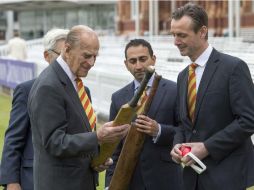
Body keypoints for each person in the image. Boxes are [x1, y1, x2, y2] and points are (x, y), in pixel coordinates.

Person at [27, 25, 129, 190]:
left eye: (95, 57)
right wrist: (98, 137)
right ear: (67, 50)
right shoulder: (49, 86)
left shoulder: (73, 82)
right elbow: (55, 142)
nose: (92, 63)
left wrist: (96, 158)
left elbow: (76, 133)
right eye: (87, 56)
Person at [170, 3, 254, 190]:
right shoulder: (183, 76)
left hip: (227, 177)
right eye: (173, 35)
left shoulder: (233, 68)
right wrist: (177, 145)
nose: (175, 41)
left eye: (182, 35)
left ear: (202, 32)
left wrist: (207, 147)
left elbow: (249, 120)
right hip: (192, 179)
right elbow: (183, 125)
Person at [105, 39, 183, 190]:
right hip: (132, 182)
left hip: (167, 181)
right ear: (126, 64)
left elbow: (185, 130)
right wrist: (110, 185)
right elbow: (114, 147)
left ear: (153, 59)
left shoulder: (175, 90)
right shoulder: (118, 98)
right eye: (132, 61)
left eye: (143, 59)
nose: (138, 66)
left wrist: (159, 130)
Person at [0, 28, 69, 190]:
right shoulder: (27, 90)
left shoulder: (83, 92)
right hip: (34, 179)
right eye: (61, 55)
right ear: (47, 56)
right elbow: (14, 139)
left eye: (70, 54)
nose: (67, 60)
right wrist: (12, 181)